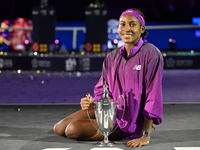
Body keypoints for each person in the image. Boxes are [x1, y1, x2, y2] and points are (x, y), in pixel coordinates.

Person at [53, 8, 163, 147]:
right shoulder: (112, 57)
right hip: (108, 111)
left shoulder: (151, 54)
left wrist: (145, 135)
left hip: (128, 123)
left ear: (142, 29)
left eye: (132, 24)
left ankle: (130, 131)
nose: (126, 29)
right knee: (59, 128)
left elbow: (153, 96)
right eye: (122, 24)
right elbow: (101, 90)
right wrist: (93, 103)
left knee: (72, 129)